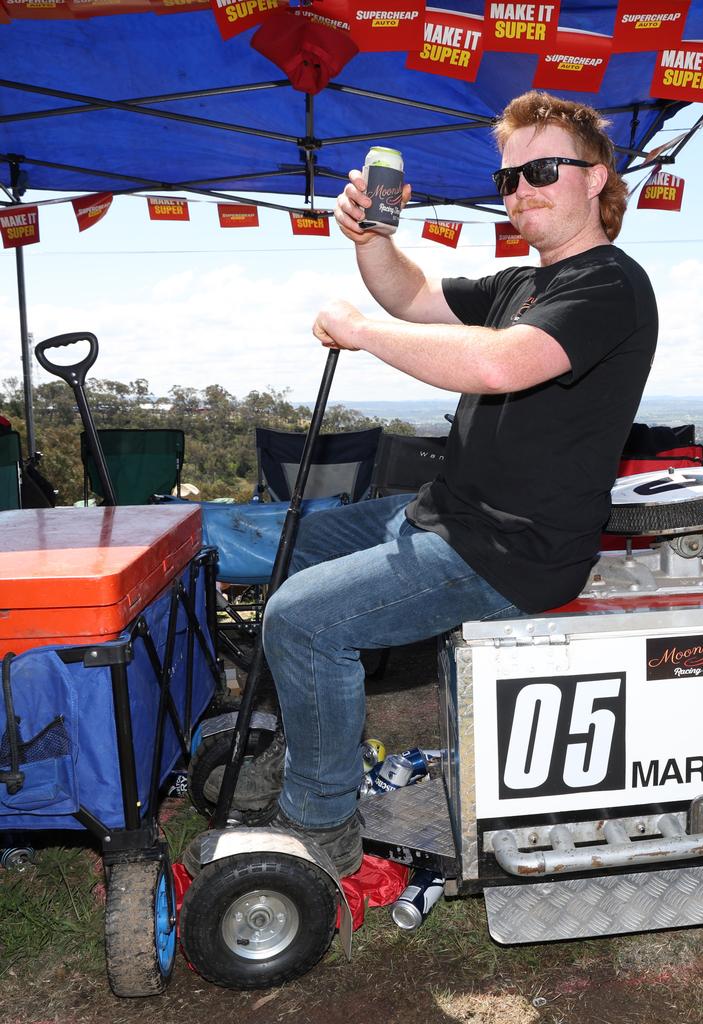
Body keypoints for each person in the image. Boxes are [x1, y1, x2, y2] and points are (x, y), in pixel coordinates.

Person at [205, 90, 658, 877]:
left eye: (543, 169)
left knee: (304, 619)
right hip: (441, 516)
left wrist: (360, 332)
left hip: (511, 553)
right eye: (509, 178)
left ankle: (321, 827)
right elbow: (409, 294)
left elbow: (495, 363)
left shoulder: (610, 286)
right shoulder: (525, 283)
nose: (521, 190)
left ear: (597, 177)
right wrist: (373, 235)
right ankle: (308, 740)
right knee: (270, 542)